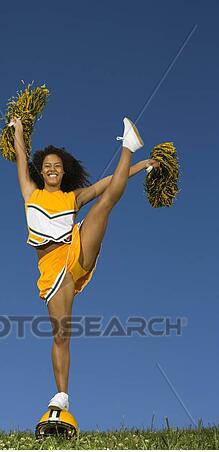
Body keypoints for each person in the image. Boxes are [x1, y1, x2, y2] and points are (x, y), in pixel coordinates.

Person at [10, 116, 159, 411]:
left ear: (64, 172)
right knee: (61, 335)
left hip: (75, 249)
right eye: (47, 166)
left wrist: (141, 166)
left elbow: (106, 183)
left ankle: (129, 146)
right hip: (52, 270)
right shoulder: (31, 193)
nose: (52, 169)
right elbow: (21, 156)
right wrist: (19, 130)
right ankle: (62, 395)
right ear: (41, 172)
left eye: (57, 166)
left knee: (104, 203)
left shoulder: (73, 198)